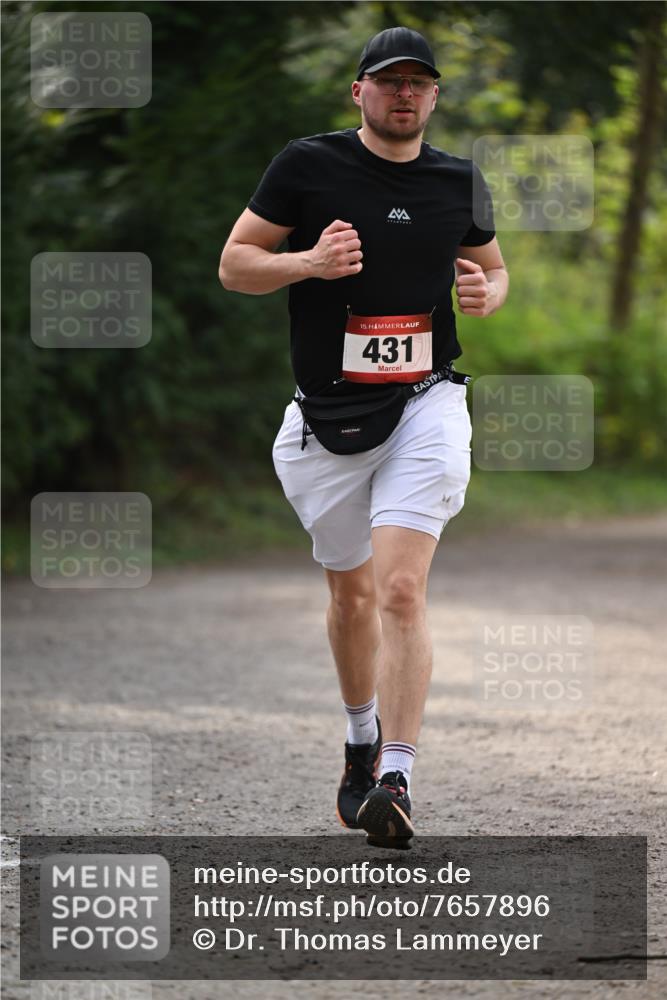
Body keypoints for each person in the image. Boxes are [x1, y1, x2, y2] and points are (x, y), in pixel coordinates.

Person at [219, 26, 508, 848]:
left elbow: (492, 266)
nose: (404, 93)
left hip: (425, 401)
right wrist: (306, 264)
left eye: (419, 82)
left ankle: (396, 776)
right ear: (359, 91)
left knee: (400, 590)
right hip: (326, 418)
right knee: (349, 598)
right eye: (389, 80)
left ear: (435, 95)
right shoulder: (306, 165)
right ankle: (359, 741)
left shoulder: (458, 180)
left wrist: (488, 292)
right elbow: (235, 264)